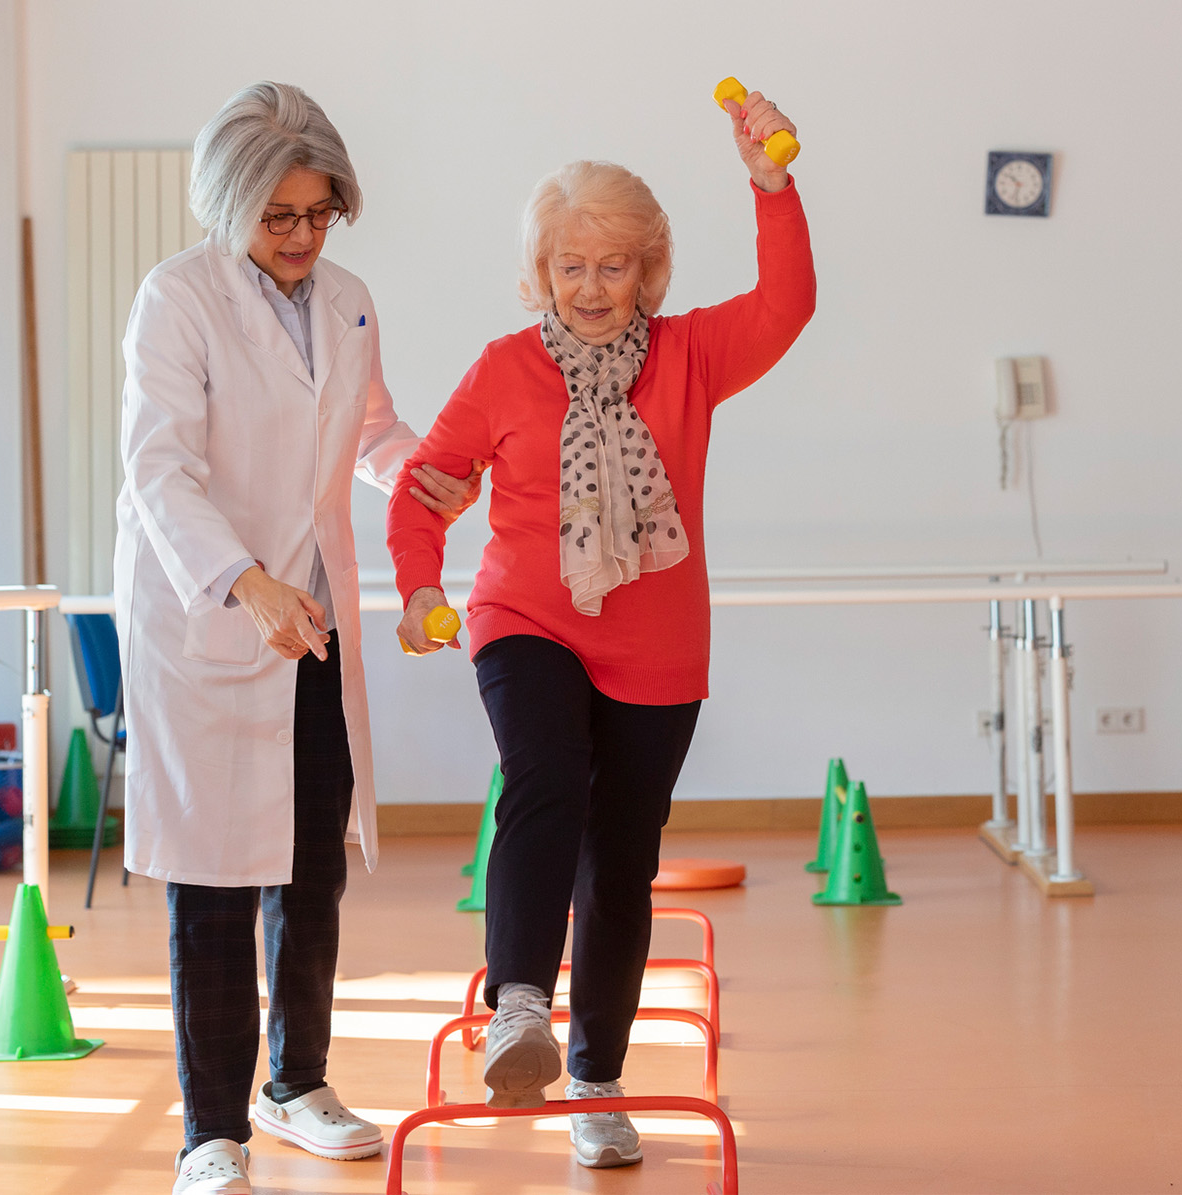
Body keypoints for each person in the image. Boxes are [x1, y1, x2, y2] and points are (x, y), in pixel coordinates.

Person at [386, 88, 814, 1168]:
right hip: (525, 613)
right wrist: (418, 583)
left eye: (613, 266)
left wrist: (771, 183)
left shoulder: (691, 357)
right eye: (569, 267)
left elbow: (788, 304)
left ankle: (597, 1082)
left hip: (658, 641)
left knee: (622, 858)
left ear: (649, 273)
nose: (589, 288)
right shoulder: (502, 370)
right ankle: (522, 1005)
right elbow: (425, 488)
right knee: (541, 774)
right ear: (540, 272)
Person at [115, 81, 480, 1195]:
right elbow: (158, 467)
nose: (302, 236)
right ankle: (211, 1133)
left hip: (311, 617)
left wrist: (443, 474)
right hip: (211, 616)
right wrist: (245, 581)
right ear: (230, 208)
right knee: (213, 879)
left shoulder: (350, 300)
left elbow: (371, 433)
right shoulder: (175, 300)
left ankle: (297, 1082)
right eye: (280, 216)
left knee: (312, 863)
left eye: (320, 213)